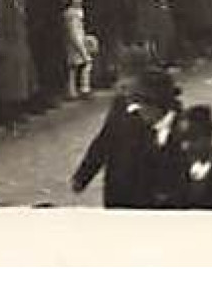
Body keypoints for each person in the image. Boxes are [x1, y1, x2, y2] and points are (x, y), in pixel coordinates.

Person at [71, 67, 184, 209]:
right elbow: (104, 141)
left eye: (125, 78)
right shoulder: (120, 106)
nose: (119, 84)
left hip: (148, 200)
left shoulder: (178, 125)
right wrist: (83, 175)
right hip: (117, 190)